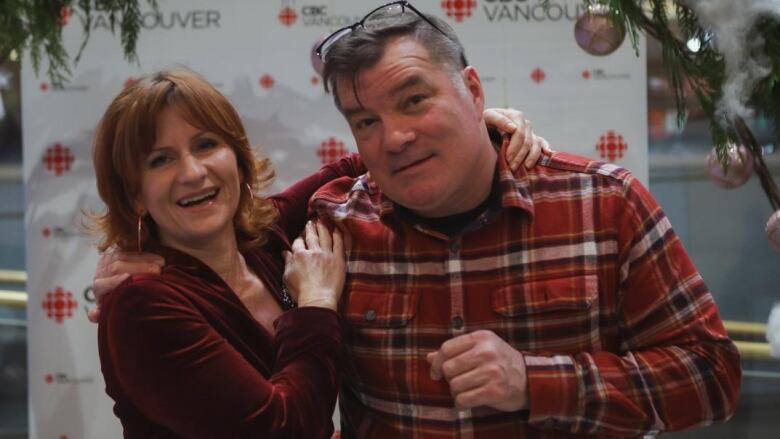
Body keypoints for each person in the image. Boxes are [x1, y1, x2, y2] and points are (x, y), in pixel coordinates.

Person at [305, 1, 740, 438]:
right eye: (366, 121)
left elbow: (712, 377)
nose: (395, 138)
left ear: (473, 92)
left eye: (415, 100)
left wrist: (538, 382)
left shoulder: (604, 204)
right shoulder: (336, 226)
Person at [89, 69, 546, 438]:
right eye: (160, 160)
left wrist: (470, 122)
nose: (192, 172)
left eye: (206, 145)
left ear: (237, 156)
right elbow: (282, 429)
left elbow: (360, 161)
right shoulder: (143, 305)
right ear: (133, 196)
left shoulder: (262, 238)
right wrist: (317, 305)